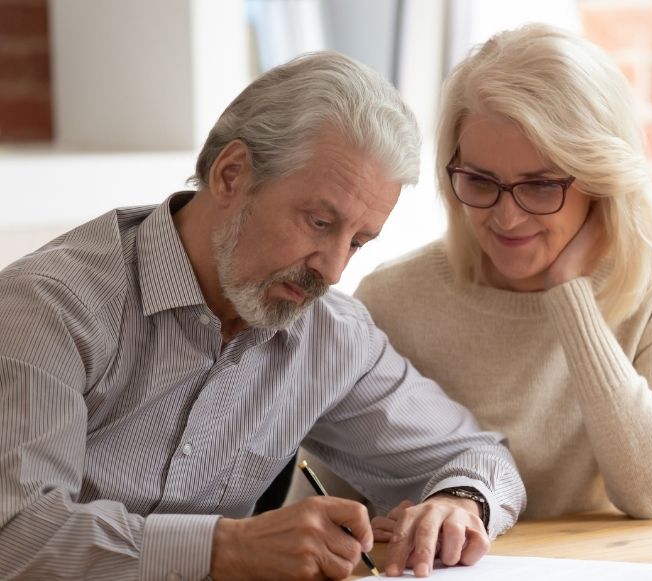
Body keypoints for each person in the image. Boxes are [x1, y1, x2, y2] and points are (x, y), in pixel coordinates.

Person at [0, 51, 526, 581]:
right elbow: (13, 537)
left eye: (359, 242)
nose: (335, 270)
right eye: (320, 222)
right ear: (232, 175)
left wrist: (459, 504)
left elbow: (479, 457)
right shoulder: (46, 308)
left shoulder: (329, 335)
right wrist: (226, 548)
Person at [294, 23, 652, 522]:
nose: (506, 217)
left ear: (602, 182)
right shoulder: (393, 297)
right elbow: (330, 503)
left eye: (539, 186)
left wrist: (569, 296)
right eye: (480, 180)